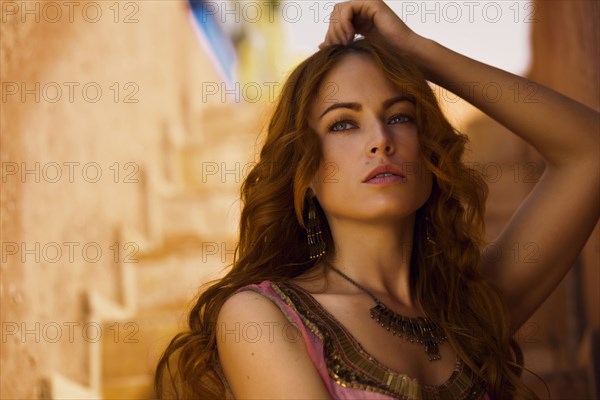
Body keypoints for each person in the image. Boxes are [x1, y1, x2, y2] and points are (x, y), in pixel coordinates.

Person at [154, 1, 599, 398]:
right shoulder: (264, 318)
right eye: (343, 124)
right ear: (305, 171)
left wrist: (420, 52)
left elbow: (590, 151)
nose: (380, 140)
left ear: (429, 155)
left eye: (399, 116)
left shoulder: (472, 313)